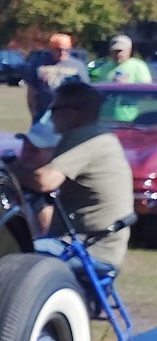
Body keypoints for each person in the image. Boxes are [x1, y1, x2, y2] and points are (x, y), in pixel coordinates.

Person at [15, 79, 134, 268]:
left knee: (9, 252)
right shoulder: (101, 137)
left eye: (53, 110)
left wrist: (10, 172)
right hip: (97, 243)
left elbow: (44, 181)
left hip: (89, 248)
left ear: (69, 114)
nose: (50, 116)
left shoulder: (82, 138)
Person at [26, 32, 85, 120]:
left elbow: (85, 90)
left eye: (66, 50)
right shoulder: (39, 64)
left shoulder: (78, 66)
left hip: (69, 115)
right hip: (44, 114)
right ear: (51, 49)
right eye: (58, 50)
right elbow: (31, 90)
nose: (62, 53)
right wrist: (33, 112)